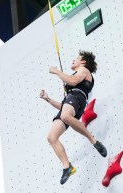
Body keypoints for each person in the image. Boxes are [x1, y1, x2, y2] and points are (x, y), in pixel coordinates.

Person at [40, 50, 107, 185]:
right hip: (71, 102)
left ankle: (93, 140)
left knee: (65, 115)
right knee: (51, 137)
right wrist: (48, 99)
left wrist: (57, 71)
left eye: (76, 58)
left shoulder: (84, 70)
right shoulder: (74, 81)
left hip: (78, 97)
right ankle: (67, 166)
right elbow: (63, 106)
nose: (73, 60)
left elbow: (73, 80)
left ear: (83, 62)